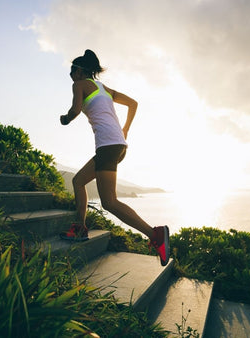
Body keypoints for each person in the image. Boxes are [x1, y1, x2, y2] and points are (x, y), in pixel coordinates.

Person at [59, 49, 170, 266]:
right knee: (78, 181)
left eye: (72, 71)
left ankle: (154, 234)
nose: (71, 76)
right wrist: (126, 128)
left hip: (108, 146)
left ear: (80, 71)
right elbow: (133, 103)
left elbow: (74, 111)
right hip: (118, 145)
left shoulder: (79, 85)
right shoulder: (104, 88)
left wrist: (64, 119)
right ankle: (80, 229)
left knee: (109, 202)